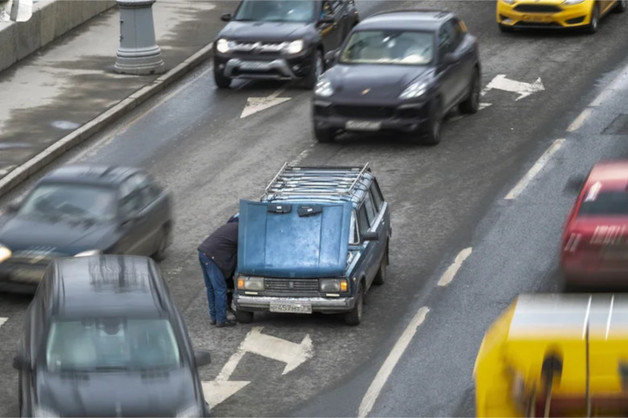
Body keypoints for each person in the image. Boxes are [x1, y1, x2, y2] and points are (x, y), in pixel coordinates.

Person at [198, 220, 238, 327]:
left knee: (210, 287)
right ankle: (221, 320)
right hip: (212, 256)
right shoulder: (242, 232)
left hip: (203, 252)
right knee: (220, 289)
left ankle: (213, 318)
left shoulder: (231, 226)